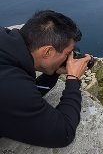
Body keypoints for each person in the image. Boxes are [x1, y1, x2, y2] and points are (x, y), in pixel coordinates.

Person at [0, 10, 91, 148]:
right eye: (67, 53)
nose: (68, 58)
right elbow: (63, 133)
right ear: (47, 51)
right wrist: (73, 79)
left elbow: (23, 100)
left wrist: (53, 72)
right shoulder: (11, 87)